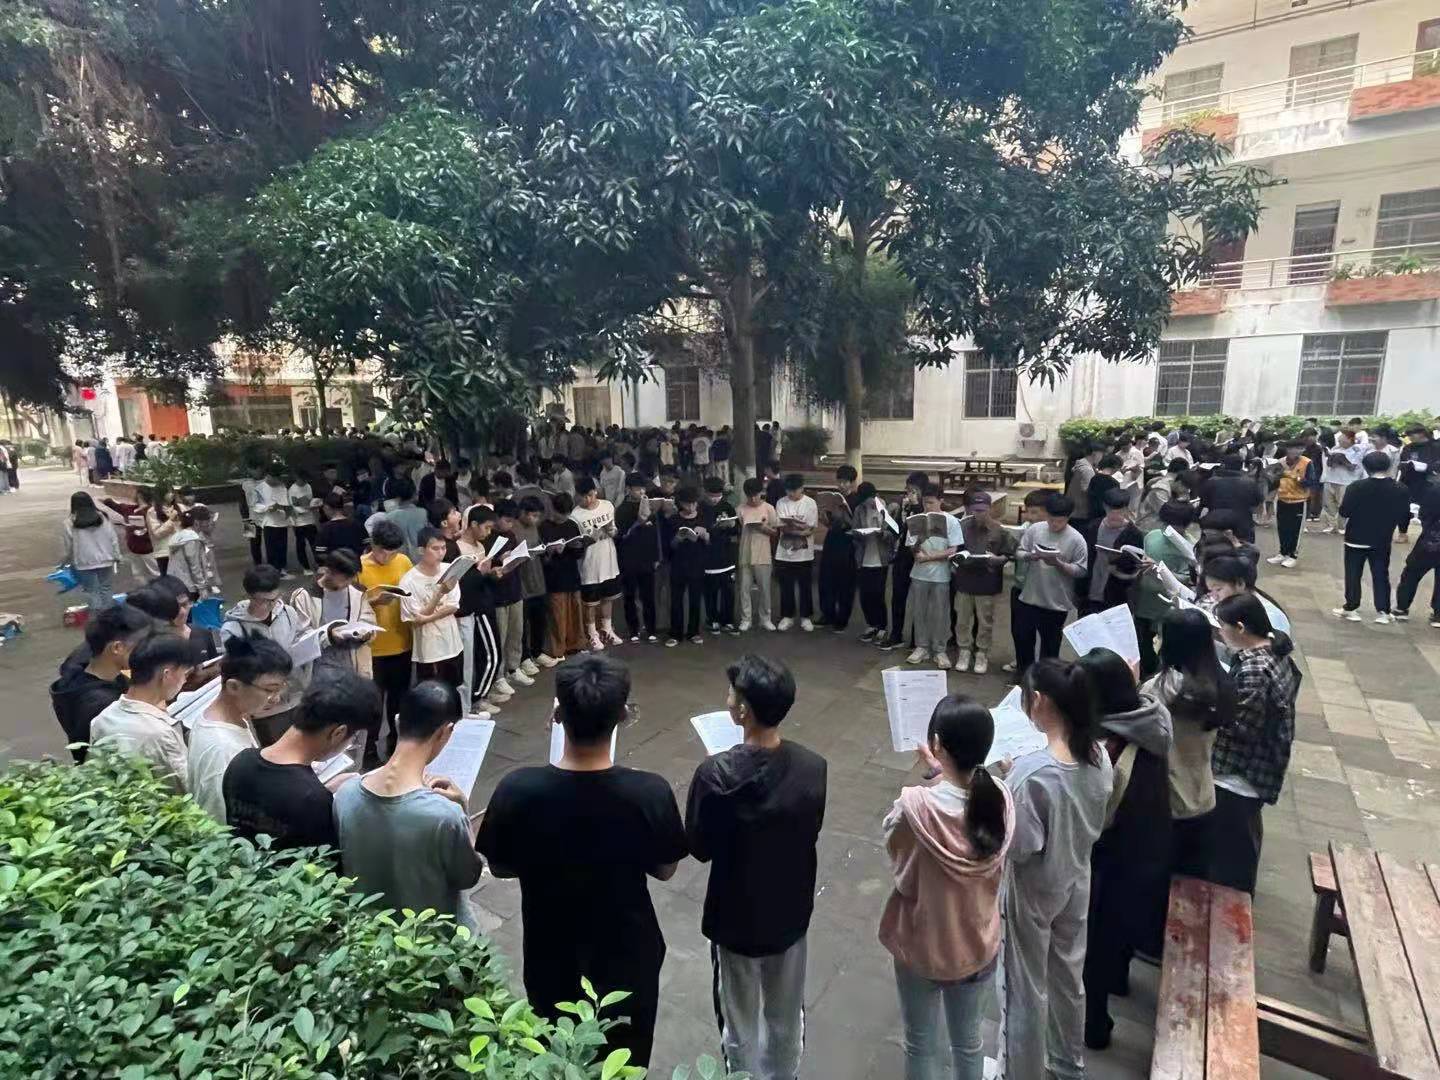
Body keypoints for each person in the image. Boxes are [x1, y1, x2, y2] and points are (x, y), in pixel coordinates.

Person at [476, 655, 687, 1067]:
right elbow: (665, 869)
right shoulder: (648, 792)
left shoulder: (518, 789)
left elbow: (500, 866)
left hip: (550, 954)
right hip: (627, 957)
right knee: (624, 1062)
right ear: (623, 715)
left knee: (555, 1058)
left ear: (556, 715)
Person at [686, 656, 827, 1080]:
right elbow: (810, 830)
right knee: (786, 1014)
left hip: (735, 918)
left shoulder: (714, 775)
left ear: (743, 710)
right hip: (790, 910)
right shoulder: (812, 767)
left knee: (738, 1019)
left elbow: (699, 846)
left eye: (732, 694)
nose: (728, 699)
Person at [880, 694, 1012, 1080]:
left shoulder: (915, 808)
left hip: (922, 944)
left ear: (936, 743)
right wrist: (941, 769)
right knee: (968, 1043)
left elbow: (898, 856)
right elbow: (962, 798)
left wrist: (937, 773)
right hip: (976, 945)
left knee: (920, 1043)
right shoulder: (1000, 800)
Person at [999, 658, 1112, 1080]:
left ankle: (1020, 1070)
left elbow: (1019, 847)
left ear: (1039, 701)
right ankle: (1067, 1063)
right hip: (1076, 875)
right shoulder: (1098, 755)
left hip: (1034, 888)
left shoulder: (1034, 773)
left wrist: (1008, 788)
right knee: (1067, 976)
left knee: (1024, 984)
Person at [1075, 649, 1172, 1050]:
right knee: (1118, 934)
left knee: (1097, 941)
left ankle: (1094, 1025)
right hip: (1150, 845)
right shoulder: (1150, 715)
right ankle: (1118, 979)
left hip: (1116, 856)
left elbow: (1095, 815)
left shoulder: (1109, 750)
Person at [333, 680, 484, 925]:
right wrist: (463, 808)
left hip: (367, 934)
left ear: (397, 721)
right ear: (445, 732)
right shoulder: (444, 814)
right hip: (428, 939)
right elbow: (468, 876)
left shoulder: (345, 794)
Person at [224, 669, 378, 850]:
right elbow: (323, 863)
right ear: (338, 733)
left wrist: (324, 790)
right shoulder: (312, 800)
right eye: (352, 737)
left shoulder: (240, 763)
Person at [1210, 593, 1299, 894]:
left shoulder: (1255, 670)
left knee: (1230, 858)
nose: (1220, 633)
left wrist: (1206, 712)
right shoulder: (1273, 652)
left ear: (1240, 627)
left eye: (1222, 627)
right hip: (1258, 768)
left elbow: (1239, 728)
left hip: (1240, 773)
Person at [1142, 609, 1233, 879]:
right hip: (1203, 794)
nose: (1156, 640)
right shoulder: (1221, 683)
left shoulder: (1160, 688)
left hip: (1167, 797)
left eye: (1161, 636)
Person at [187, 635, 293, 823]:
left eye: (280, 688)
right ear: (234, 687)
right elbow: (217, 820)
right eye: (270, 690)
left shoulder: (235, 716)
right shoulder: (221, 749)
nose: (276, 698)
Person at [90, 632, 199, 793]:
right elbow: (189, 790)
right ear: (167, 675)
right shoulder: (160, 734)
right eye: (184, 674)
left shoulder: (102, 719)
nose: (184, 681)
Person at [50, 604, 152, 762]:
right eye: (142, 646)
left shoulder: (76, 673)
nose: (148, 651)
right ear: (117, 648)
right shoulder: (103, 706)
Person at [357, 520, 414, 763]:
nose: (388, 557)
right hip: (373, 648)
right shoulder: (360, 567)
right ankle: (368, 751)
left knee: (399, 701)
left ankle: (396, 744)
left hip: (402, 642)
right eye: (383, 552)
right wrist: (373, 602)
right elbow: (353, 606)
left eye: (393, 552)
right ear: (373, 545)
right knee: (373, 704)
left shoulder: (404, 562)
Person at [1333, 450, 1412, 624]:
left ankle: (1351, 608)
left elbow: (1345, 511)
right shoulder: (1400, 489)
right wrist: (1402, 531)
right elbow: (1404, 514)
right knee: (1380, 574)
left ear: (1366, 467)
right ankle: (1383, 611)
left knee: (1353, 573)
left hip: (1356, 537)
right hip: (1382, 539)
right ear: (1388, 466)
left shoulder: (1356, 487)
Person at [1012, 494, 1088, 672]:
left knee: (1050, 646)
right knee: (1023, 639)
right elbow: (1019, 552)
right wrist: (1031, 556)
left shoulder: (1076, 539)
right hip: (1029, 596)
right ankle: (1025, 675)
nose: (1054, 524)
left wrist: (1059, 564)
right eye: (1051, 520)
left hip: (1056, 602)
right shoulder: (1035, 530)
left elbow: (1081, 570)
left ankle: (1047, 679)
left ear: (1068, 518)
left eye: (1059, 521)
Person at [950, 491, 1017, 675]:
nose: (979, 514)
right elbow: (954, 548)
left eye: (982, 510)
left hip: (987, 582)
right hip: (965, 580)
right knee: (962, 619)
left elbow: (1010, 553)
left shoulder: (999, 530)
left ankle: (982, 653)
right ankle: (964, 650)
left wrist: (999, 560)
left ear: (990, 509)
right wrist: (957, 558)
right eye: (975, 510)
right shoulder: (962, 526)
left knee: (985, 620)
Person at [289, 547, 380, 677]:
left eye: (351, 578)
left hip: (352, 665)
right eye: (343, 579)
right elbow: (299, 636)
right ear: (328, 572)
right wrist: (329, 636)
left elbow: (368, 619)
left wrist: (366, 633)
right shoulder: (305, 596)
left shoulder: (357, 593)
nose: (348, 583)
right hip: (318, 667)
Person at [1131, 500, 1198, 676]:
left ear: (1187, 525)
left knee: (1168, 647)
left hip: (1169, 605)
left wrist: (1160, 569)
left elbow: (1189, 580)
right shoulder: (1152, 536)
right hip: (1145, 601)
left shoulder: (1190, 547)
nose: (1169, 530)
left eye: (1175, 526)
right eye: (1166, 524)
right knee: (1143, 644)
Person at [904, 485, 963, 669]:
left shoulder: (951, 521)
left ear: (940, 501)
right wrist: (919, 545)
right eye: (925, 502)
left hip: (940, 574)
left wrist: (929, 557)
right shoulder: (917, 520)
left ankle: (939, 649)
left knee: (940, 613)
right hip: (919, 573)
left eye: (931, 502)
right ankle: (922, 646)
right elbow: (911, 546)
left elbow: (953, 549)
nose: (927, 506)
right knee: (919, 611)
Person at [400, 526, 464, 688]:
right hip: (429, 649)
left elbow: (453, 606)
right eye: (435, 548)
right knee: (431, 691)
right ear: (421, 550)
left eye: (443, 548)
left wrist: (428, 617)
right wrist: (439, 594)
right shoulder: (408, 581)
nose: (441, 553)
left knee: (454, 687)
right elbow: (416, 619)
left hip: (452, 643)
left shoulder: (449, 570)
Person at [571, 476, 623, 650]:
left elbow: (615, 531)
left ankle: (607, 628)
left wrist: (612, 531)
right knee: (590, 602)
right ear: (577, 495)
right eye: (584, 497)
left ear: (595, 492)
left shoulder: (608, 506)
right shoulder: (575, 516)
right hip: (589, 563)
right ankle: (592, 633)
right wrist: (589, 539)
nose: (588, 500)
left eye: (591, 495)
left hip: (608, 559)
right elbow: (577, 544)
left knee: (608, 598)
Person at [1080, 487, 1143, 616]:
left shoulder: (1134, 534)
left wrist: (1117, 565)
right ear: (1105, 507)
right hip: (1089, 592)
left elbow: (1135, 567)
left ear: (1126, 509)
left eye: (1119, 512)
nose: (1115, 516)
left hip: (1115, 594)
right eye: (1111, 511)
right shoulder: (1093, 527)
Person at [539, 492, 588, 657]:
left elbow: (579, 553)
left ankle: (576, 643)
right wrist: (552, 551)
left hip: (571, 573)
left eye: (566, 514)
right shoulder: (544, 527)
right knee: (557, 614)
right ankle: (558, 648)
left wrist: (578, 546)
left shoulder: (572, 525)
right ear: (553, 509)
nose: (563, 518)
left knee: (575, 611)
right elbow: (542, 555)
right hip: (554, 577)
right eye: (560, 514)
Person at [883, 472, 929, 650]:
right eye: (907, 490)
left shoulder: (927, 507)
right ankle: (896, 634)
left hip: (920, 556)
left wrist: (916, 507)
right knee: (898, 597)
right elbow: (898, 530)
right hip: (903, 555)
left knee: (919, 599)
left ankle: (917, 639)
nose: (909, 494)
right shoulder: (905, 506)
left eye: (913, 491)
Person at [513, 495, 558, 673]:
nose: (536, 519)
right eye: (533, 515)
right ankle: (524, 658)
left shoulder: (534, 528)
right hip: (522, 583)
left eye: (538, 516)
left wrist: (549, 551)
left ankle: (537, 651)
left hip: (538, 580)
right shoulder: (514, 529)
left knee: (539, 619)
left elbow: (540, 549)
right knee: (522, 626)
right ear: (523, 513)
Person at [616, 473, 661, 642]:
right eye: (637, 489)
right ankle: (633, 630)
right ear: (628, 489)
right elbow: (621, 536)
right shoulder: (622, 509)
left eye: (643, 489)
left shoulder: (649, 506)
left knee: (648, 595)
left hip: (646, 558)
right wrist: (637, 523)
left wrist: (656, 557)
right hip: (628, 558)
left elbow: (655, 534)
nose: (641, 492)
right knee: (629, 595)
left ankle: (651, 629)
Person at [62, 491, 121, 614]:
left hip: (84, 562)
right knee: (106, 587)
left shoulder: (69, 522)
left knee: (91, 590)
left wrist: (67, 561)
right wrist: (117, 555)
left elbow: (69, 546)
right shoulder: (102, 517)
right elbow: (113, 537)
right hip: (106, 559)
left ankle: (97, 615)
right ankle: (109, 614)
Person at [664, 486, 709, 646]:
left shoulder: (703, 517)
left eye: (694, 503)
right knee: (676, 600)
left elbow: (710, 542)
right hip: (678, 564)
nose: (691, 507)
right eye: (688, 504)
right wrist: (678, 538)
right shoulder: (673, 520)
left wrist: (705, 535)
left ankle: (694, 632)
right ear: (681, 503)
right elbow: (669, 546)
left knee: (695, 599)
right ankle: (675, 633)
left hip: (697, 563)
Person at [852, 481, 896, 643]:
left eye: (869, 500)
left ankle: (882, 626)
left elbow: (894, 533)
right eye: (864, 502)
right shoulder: (859, 510)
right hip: (864, 557)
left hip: (880, 558)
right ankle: (871, 624)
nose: (867, 504)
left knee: (878, 594)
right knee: (865, 594)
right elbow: (854, 530)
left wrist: (882, 534)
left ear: (875, 496)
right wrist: (860, 534)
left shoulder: (887, 509)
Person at [774, 474, 818, 631]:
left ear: (802, 488)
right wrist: (798, 529)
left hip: (804, 553)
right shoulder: (781, 502)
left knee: (805, 586)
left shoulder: (810, 503)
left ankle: (806, 617)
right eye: (788, 491)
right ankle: (788, 616)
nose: (791, 494)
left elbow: (811, 528)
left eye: (795, 490)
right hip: (784, 552)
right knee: (786, 585)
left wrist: (798, 529)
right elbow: (781, 526)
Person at [816, 465, 858, 632]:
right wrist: (824, 517)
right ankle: (827, 613)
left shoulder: (856, 500)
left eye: (845, 482)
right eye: (839, 481)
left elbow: (857, 524)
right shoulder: (834, 498)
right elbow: (829, 523)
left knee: (845, 582)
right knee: (826, 578)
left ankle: (842, 618)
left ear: (852, 482)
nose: (841, 485)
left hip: (848, 543)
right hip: (832, 539)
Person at [736, 476, 780, 632]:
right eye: (750, 496)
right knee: (744, 589)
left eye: (756, 495)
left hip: (763, 553)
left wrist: (763, 528)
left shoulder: (769, 508)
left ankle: (765, 618)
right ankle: (746, 619)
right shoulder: (740, 509)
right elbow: (737, 530)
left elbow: (775, 532)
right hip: (745, 552)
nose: (753, 499)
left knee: (765, 588)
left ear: (761, 492)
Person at [1394, 482, 1440, 627]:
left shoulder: (1435, 489)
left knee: (1412, 572)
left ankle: (1402, 608)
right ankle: (1438, 614)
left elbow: (1424, 514)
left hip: (1431, 540)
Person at [1267, 440, 1318, 569]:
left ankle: (1293, 555)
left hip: (1299, 501)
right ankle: (1282, 552)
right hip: (1282, 499)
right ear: (1287, 450)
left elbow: (1311, 482)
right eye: (1294, 448)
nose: (1297, 451)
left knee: (1295, 530)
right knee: (1282, 528)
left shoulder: (1307, 463)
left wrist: (1296, 478)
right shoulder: (1280, 462)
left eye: (1300, 449)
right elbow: (1274, 480)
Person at [700, 476, 739, 634]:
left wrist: (731, 525)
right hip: (707, 557)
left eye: (718, 496)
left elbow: (736, 530)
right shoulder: (700, 508)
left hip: (726, 556)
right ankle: (712, 619)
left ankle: (728, 620)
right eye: (712, 496)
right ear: (705, 492)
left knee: (728, 591)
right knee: (710, 591)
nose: (715, 499)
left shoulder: (727, 506)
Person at [1199, 454, 1264, 542]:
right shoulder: (1250, 483)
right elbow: (1257, 503)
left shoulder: (1211, 482)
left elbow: (1204, 502)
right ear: (1241, 466)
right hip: (1242, 524)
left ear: (1224, 465)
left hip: (1216, 522)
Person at [1316, 430, 1365, 534]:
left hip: (1346, 481)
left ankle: (1343, 526)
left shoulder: (1357, 450)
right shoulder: (1335, 449)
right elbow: (1329, 464)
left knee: (1343, 504)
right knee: (1329, 504)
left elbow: (1353, 466)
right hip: (1330, 479)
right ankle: (1332, 525)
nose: (1339, 439)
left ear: (1349, 439)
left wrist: (1342, 460)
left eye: (1342, 437)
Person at [167, 505, 221, 598]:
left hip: (176, 582)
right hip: (189, 585)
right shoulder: (192, 539)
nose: (209, 523)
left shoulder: (179, 535)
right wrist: (202, 587)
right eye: (207, 521)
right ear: (197, 522)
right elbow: (194, 565)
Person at [251, 461, 293, 573]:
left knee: (282, 546)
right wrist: (268, 508)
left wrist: (285, 508)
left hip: (282, 520)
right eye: (274, 478)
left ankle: (282, 568)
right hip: (269, 522)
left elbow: (287, 502)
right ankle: (273, 569)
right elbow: (256, 506)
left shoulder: (282, 487)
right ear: (268, 476)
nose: (276, 481)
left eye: (278, 478)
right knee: (271, 547)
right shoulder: (260, 488)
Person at [1136, 459, 1192, 534]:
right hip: (1148, 526)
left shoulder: (1165, 483)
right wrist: (1183, 500)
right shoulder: (1161, 489)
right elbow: (1168, 515)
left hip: (1158, 523)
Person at [384, 477, 429, 562]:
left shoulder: (390, 517)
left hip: (400, 560)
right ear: (414, 494)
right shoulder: (423, 513)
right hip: (422, 557)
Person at [316, 491, 367, 558]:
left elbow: (320, 554)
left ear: (326, 508)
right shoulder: (357, 524)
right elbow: (367, 546)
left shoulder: (325, 529)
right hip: (360, 563)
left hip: (336, 564)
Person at [288, 469, 319, 571]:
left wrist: (313, 505)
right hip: (299, 522)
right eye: (302, 480)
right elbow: (293, 506)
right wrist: (304, 508)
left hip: (310, 520)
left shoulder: (308, 486)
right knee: (301, 544)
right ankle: (306, 567)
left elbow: (310, 500)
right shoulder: (292, 489)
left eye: (306, 480)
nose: (304, 482)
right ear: (297, 478)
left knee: (315, 543)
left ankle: (319, 563)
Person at [1065, 445, 1101, 529]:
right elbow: (1087, 490)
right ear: (1095, 454)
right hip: (1080, 510)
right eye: (1102, 454)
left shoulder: (1079, 465)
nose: (1101, 458)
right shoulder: (1087, 470)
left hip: (1072, 508)